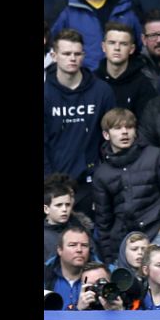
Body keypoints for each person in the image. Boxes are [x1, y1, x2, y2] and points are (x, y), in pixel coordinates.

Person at [92, 108, 160, 262]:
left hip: (158, 235)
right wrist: (109, 258)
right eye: (117, 128)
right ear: (106, 135)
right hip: (123, 245)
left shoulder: (156, 156)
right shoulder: (102, 173)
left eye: (129, 127)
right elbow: (104, 220)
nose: (125, 132)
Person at [44, 28, 116, 217]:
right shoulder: (45, 92)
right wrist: (50, 182)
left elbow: (111, 136)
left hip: (91, 183)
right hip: (51, 185)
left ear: (84, 55)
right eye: (66, 54)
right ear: (54, 55)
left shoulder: (101, 91)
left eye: (77, 54)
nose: (72, 58)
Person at [50, 0, 142, 71]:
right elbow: (50, 48)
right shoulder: (64, 9)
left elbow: (140, 47)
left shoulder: (127, 7)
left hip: (122, 81)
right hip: (81, 82)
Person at [95, 22, 157, 119]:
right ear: (103, 47)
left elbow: (147, 125)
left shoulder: (143, 85)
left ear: (131, 49)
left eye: (123, 44)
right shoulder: (92, 82)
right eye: (112, 43)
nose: (117, 48)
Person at [44, 174, 97, 263]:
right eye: (59, 205)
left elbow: (95, 258)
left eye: (67, 204)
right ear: (46, 209)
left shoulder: (80, 228)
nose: (64, 209)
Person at [44, 226, 93, 310]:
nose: (79, 250)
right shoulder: (46, 278)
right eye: (72, 245)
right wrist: (77, 309)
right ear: (60, 250)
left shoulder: (99, 276)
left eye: (84, 245)